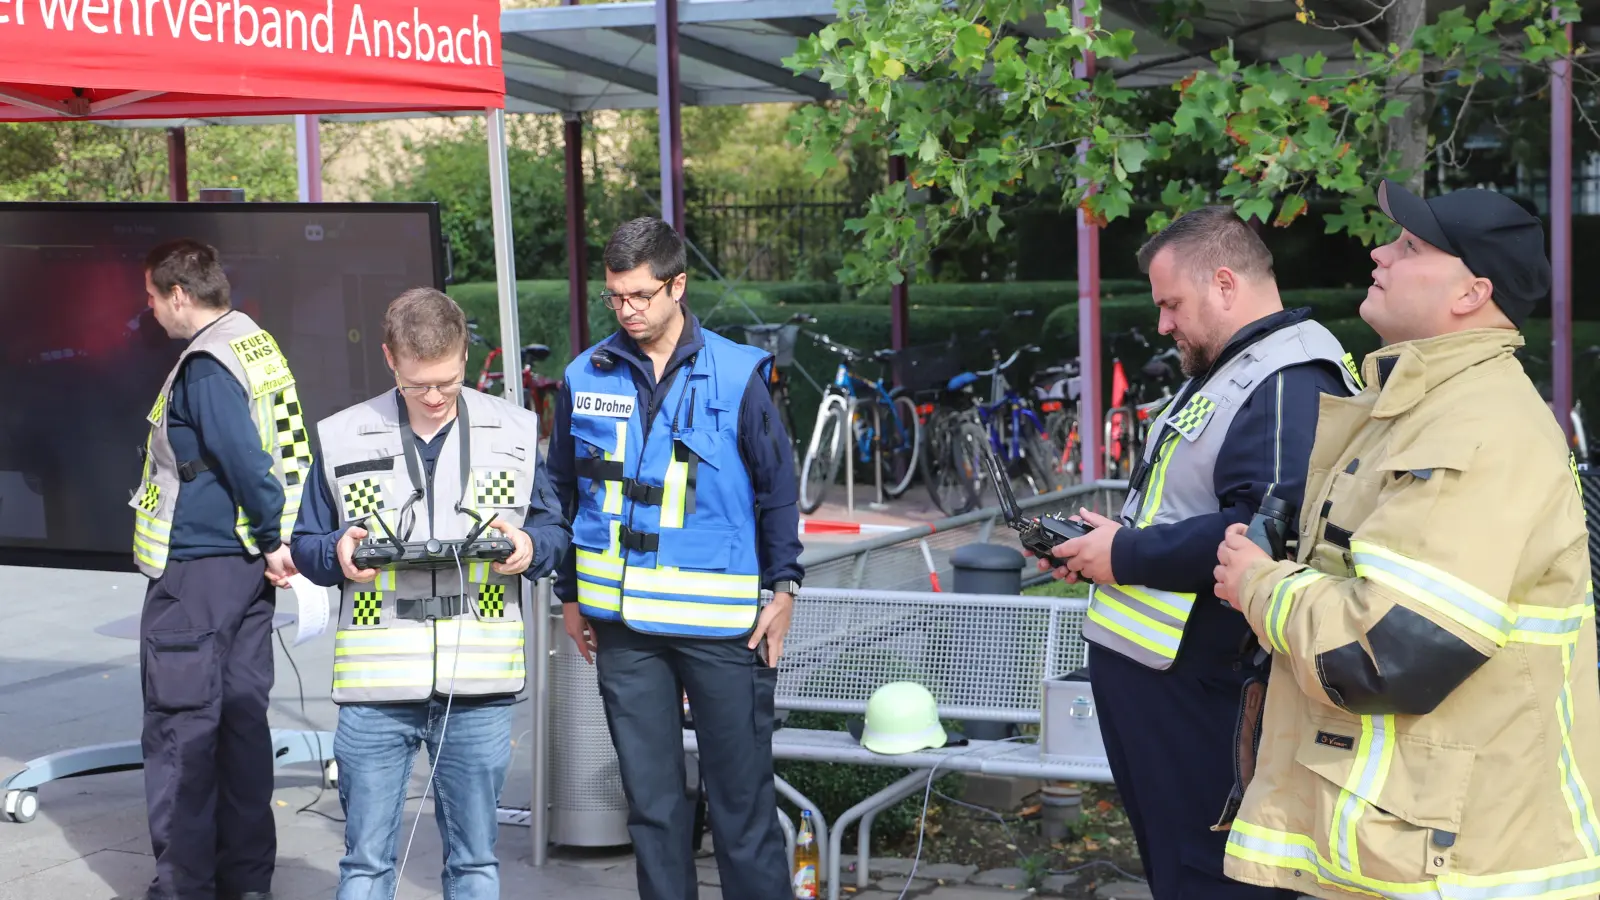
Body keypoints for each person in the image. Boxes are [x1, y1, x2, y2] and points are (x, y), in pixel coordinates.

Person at [1213, 181, 1600, 899]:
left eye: (1412, 246)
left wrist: (1258, 583)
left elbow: (1389, 651)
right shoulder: (1424, 407)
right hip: (1415, 844)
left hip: (1459, 863)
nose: (1379, 252)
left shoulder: (1477, 428)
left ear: (1470, 293)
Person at [1033, 207, 1360, 899]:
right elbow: (1183, 508)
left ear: (1223, 283)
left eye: (1171, 304)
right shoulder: (1235, 368)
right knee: (1178, 870)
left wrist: (1122, 556)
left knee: (1208, 878)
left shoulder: (1291, 378)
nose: (1163, 324)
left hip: (1208, 689)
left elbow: (1267, 530)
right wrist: (1102, 542)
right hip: (1164, 682)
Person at [548, 217, 802, 900]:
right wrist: (569, 596)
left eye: (641, 295)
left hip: (724, 630)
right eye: (615, 298)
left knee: (742, 809)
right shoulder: (585, 376)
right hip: (625, 632)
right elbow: (565, 493)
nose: (628, 311)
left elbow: (779, 490)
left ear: (678, 285)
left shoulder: (737, 373)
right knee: (654, 813)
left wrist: (784, 590)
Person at [289, 288, 570, 900]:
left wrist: (530, 546)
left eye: (446, 380)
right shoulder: (342, 435)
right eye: (420, 386)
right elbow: (305, 545)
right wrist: (335, 551)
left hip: (480, 684)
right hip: (375, 687)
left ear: (464, 355)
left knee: (474, 865)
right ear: (390, 359)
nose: (436, 397)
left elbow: (555, 533)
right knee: (365, 864)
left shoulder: (515, 431)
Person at [127, 239, 304, 900]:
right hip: (241, 577)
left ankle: (184, 889)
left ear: (179, 294)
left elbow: (246, 462)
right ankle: (247, 884)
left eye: (151, 297)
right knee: (239, 730)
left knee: (183, 738)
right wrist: (270, 545)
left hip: (198, 577)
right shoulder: (252, 342)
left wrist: (270, 536)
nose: (148, 311)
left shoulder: (205, 365)